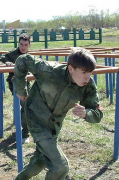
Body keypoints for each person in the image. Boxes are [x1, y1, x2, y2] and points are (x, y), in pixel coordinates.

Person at [14, 47, 103, 180]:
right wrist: (21, 89)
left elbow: (97, 113)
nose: (87, 77)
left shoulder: (88, 85)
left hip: (54, 126)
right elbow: (23, 60)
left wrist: (86, 113)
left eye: (90, 72)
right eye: (84, 72)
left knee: (41, 160)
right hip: (36, 119)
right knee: (60, 167)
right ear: (71, 68)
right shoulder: (49, 70)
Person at [0, 33, 31, 143]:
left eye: (25, 45)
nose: (23, 47)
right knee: (26, 105)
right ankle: (25, 133)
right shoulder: (12, 54)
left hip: (27, 83)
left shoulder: (29, 56)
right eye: (21, 44)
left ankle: (26, 126)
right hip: (15, 83)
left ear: (29, 45)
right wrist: (6, 63)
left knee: (30, 106)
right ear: (18, 44)